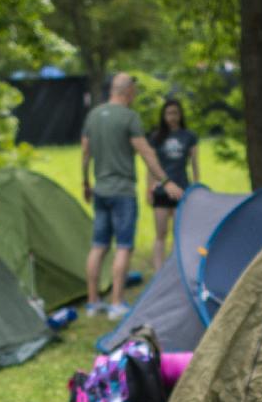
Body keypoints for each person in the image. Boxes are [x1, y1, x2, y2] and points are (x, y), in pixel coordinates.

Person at [82, 73, 179, 317]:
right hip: (123, 192)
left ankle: (93, 303)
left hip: (100, 190)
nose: (135, 96)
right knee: (124, 246)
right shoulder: (129, 117)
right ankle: (116, 303)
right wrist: (165, 181)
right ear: (127, 92)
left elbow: (85, 153)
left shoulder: (93, 115)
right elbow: (146, 152)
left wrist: (86, 182)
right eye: (134, 91)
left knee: (98, 246)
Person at [146, 97, 200, 274]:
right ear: (163, 115)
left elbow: (194, 164)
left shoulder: (189, 137)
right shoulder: (156, 137)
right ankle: (159, 271)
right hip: (161, 192)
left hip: (182, 189)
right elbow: (151, 166)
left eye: (175, 113)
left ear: (180, 114)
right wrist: (148, 189)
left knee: (180, 234)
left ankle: (178, 269)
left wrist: (197, 187)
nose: (172, 116)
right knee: (161, 234)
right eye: (169, 113)